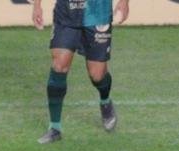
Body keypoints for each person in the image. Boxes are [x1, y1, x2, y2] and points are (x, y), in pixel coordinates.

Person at [31, 0, 130, 143]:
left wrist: (124, 2)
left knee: (97, 75)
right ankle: (55, 128)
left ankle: (105, 101)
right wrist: (37, 6)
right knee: (59, 66)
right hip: (66, 13)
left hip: (98, 13)